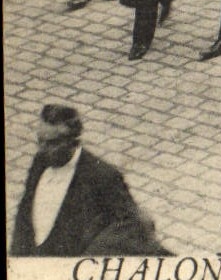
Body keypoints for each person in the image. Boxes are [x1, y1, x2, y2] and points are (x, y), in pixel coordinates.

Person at [10, 106, 165, 257]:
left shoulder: (103, 176)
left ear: (73, 142)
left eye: (51, 143)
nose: (41, 149)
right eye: (40, 140)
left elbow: (129, 223)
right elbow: (24, 212)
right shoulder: (41, 160)